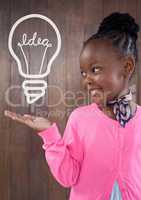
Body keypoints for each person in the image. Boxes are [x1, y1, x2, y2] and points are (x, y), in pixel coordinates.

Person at [4, 12, 141, 199]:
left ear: (127, 67)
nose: (87, 81)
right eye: (84, 73)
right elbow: (68, 177)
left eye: (95, 70)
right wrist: (50, 136)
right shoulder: (80, 118)